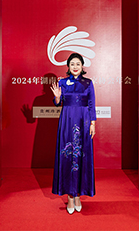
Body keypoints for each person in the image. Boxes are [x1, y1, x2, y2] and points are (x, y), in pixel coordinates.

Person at [50, 53, 96, 214]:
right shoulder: (62, 82)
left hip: (84, 122)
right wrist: (57, 98)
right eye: (72, 64)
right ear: (68, 67)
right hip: (67, 122)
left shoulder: (88, 83)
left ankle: (78, 196)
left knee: (82, 157)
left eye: (78, 64)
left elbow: (92, 104)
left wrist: (93, 123)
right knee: (67, 157)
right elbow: (58, 103)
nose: (75, 66)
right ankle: (70, 196)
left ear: (82, 66)